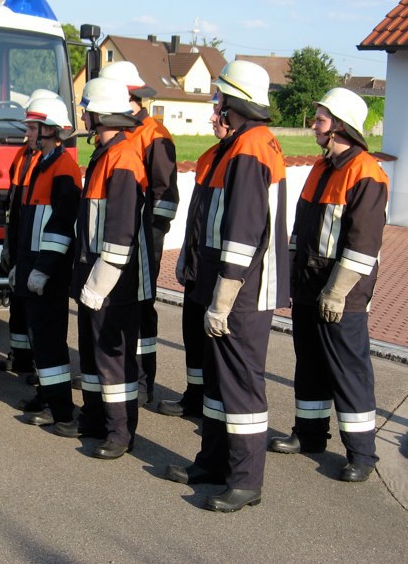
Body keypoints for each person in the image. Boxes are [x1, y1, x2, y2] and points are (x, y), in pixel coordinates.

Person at [164, 60, 289, 512]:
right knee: (219, 383)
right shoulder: (240, 145)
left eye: (219, 96)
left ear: (235, 100)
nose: (215, 103)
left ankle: (245, 480)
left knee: (240, 385)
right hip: (229, 286)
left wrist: (224, 296)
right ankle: (214, 464)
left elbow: (242, 232)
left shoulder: (251, 148)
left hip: (242, 291)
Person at [268, 88, 388, 483]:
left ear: (340, 126)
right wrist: (290, 278)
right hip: (308, 287)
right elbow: (300, 230)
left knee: (349, 371)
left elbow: (362, 245)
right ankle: (309, 434)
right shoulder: (321, 168)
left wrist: (336, 293)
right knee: (310, 365)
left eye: (320, 119)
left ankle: (362, 454)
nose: (314, 125)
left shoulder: (366, 173)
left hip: (343, 295)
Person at [54, 77, 153, 460]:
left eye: (87, 110)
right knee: (93, 354)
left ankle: (120, 433)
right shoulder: (105, 153)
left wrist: (99, 284)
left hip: (114, 281)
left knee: (113, 360)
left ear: (101, 114)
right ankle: (95, 419)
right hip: (94, 274)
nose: (83, 117)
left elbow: (120, 233)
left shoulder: (123, 157)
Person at [99, 61, 178, 407]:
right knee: (114, 306)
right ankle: (114, 373)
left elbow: (165, 194)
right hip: (117, 238)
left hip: (145, 239)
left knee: (142, 308)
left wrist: (152, 237)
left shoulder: (153, 133)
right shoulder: (120, 130)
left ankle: (143, 380)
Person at [8, 97, 82, 428]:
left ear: (50, 130)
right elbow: (30, 223)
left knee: (50, 341)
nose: (27, 133)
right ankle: (46, 394)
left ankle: (60, 408)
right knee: (39, 338)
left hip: (48, 271)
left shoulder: (63, 168)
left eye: (33, 127)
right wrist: (21, 265)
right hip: (33, 265)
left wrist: (43, 269)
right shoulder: (42, 163)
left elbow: (61, 226)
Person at [158, 93, 233, 418]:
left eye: (218, 112)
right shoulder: (208, 158)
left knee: (216, 342)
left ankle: (216, 405)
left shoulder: (240, 161)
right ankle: (195, 397)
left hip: (221, 269)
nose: (213, 118)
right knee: (192, 333)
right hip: (198, 264)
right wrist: (186, 259)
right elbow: (198, 219)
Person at [2, 90, 60, 382]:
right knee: (18, 303)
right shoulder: (24, 156)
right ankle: (20, 357)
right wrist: (9, 245)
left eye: (32, 127)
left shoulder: (51, 163)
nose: (27, 133)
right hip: (21, 239)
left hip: (38, 247)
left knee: (39, 315)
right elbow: (15, 203)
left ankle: (39, 365)